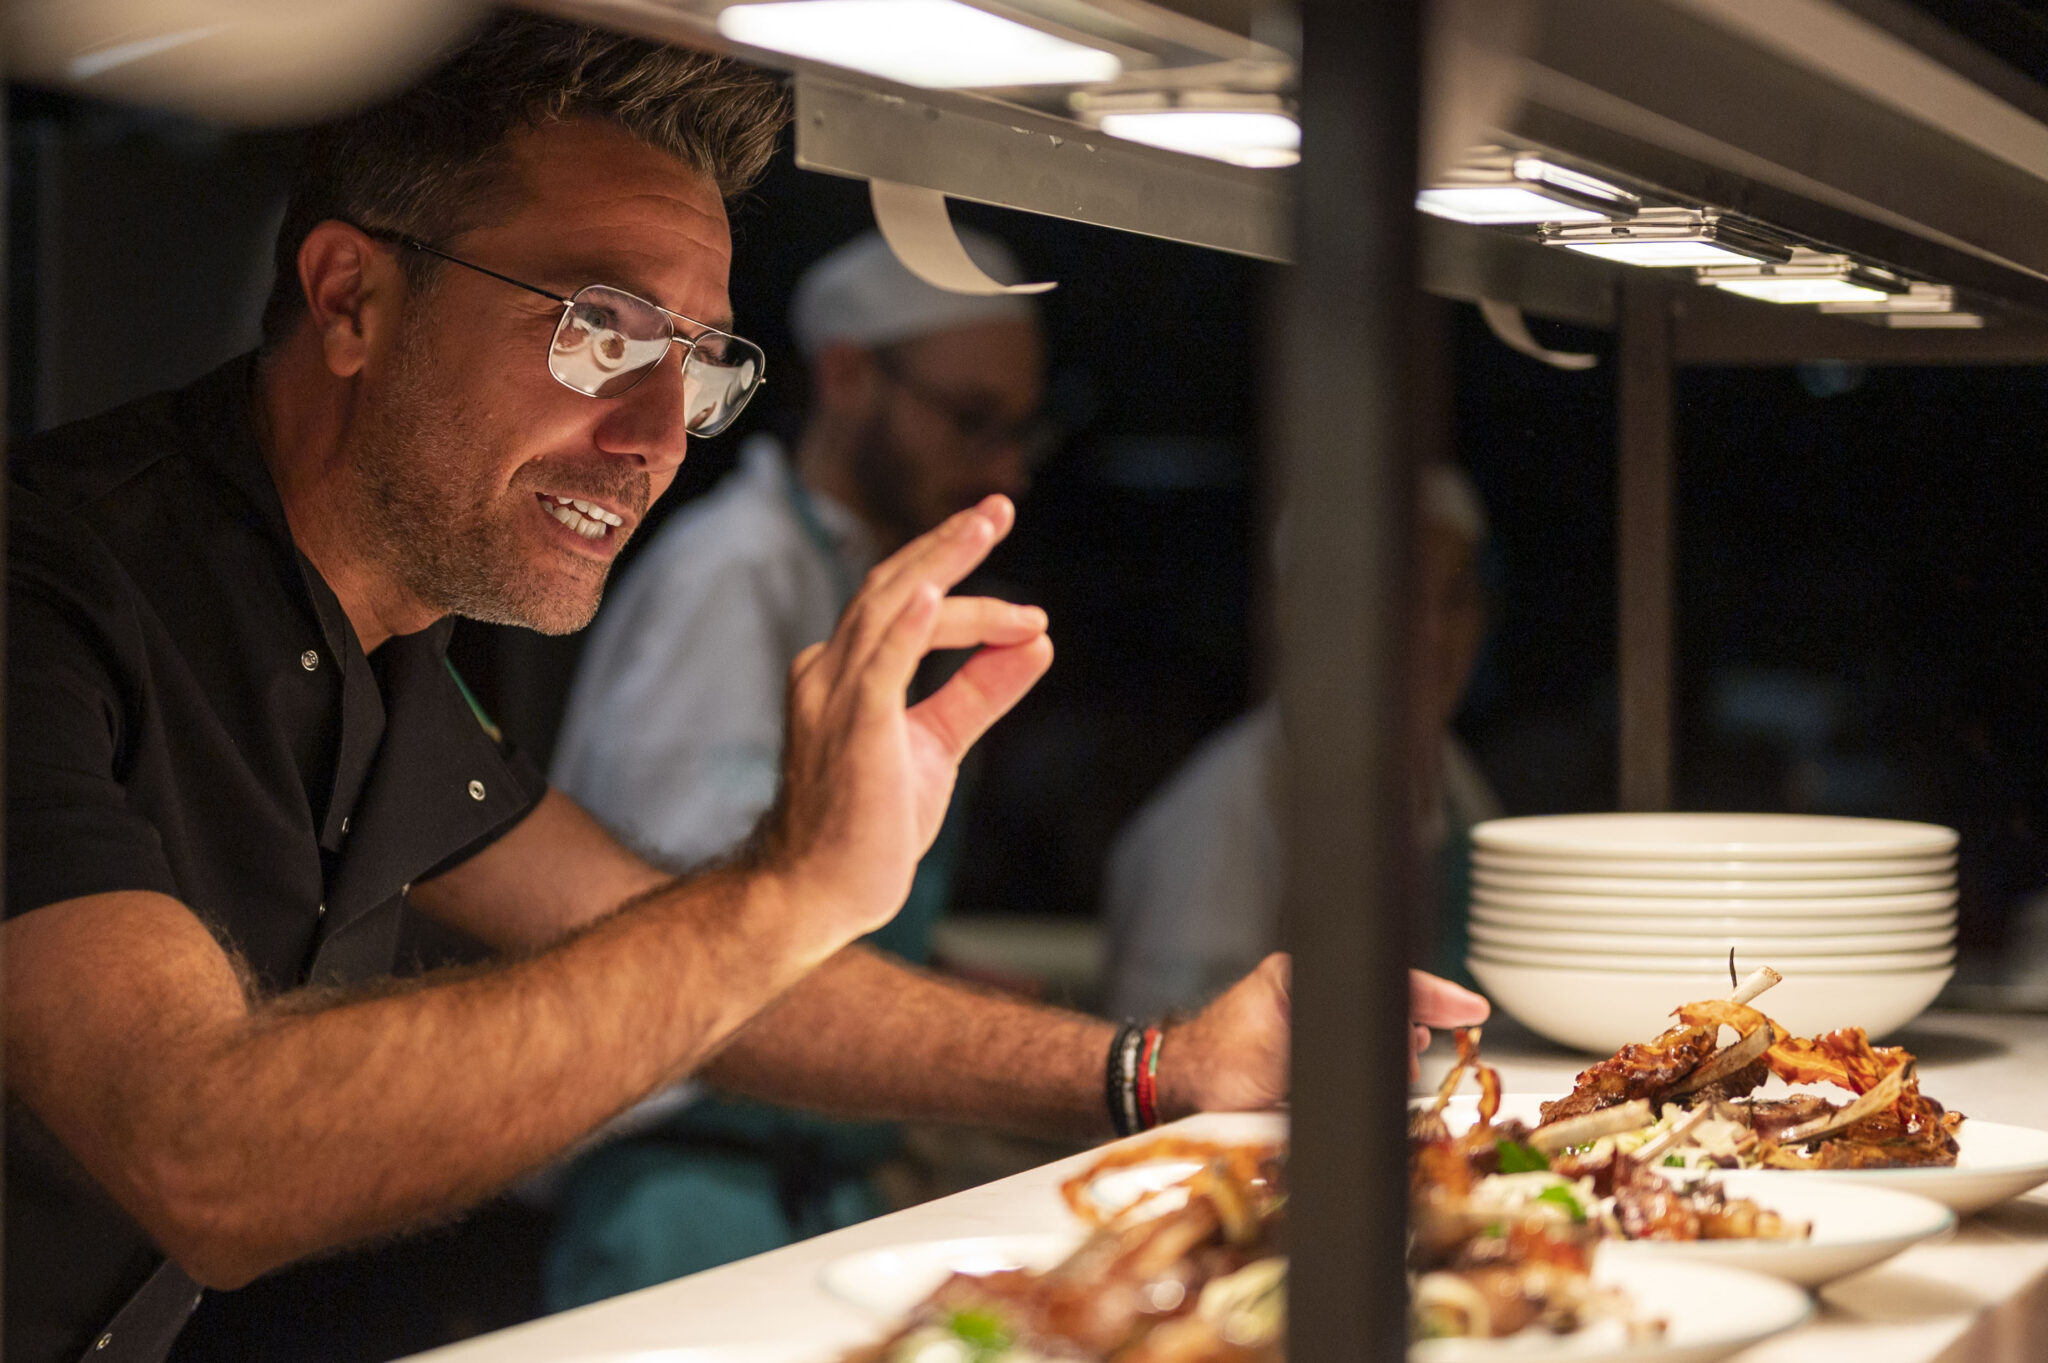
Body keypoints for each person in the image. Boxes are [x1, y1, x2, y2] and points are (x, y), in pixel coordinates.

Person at [0, 17, 1483, 1363]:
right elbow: (207, 1154)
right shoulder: (43, 593)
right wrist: (788, 885)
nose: (660, 433)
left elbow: (708, 971)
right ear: (351, 299)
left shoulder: (385, 659)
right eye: (600, 328)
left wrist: (1156, 1066)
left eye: (699, 361)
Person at [542, 230, 1048, 1304]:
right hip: (687, 1191)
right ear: (848, 373)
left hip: (808, 1180)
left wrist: (934, 965)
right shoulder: (733, 572)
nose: (1004, 469)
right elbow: (677, 910)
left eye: (1021, 430)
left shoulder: (846, 572)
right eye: (972, 419)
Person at [1102, 465, 1500, 1020]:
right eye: (1400, 597)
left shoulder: (1452, 779)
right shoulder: (1213, 818)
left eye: (1455, 598)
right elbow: (1171, 1042)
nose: (1434, 632)